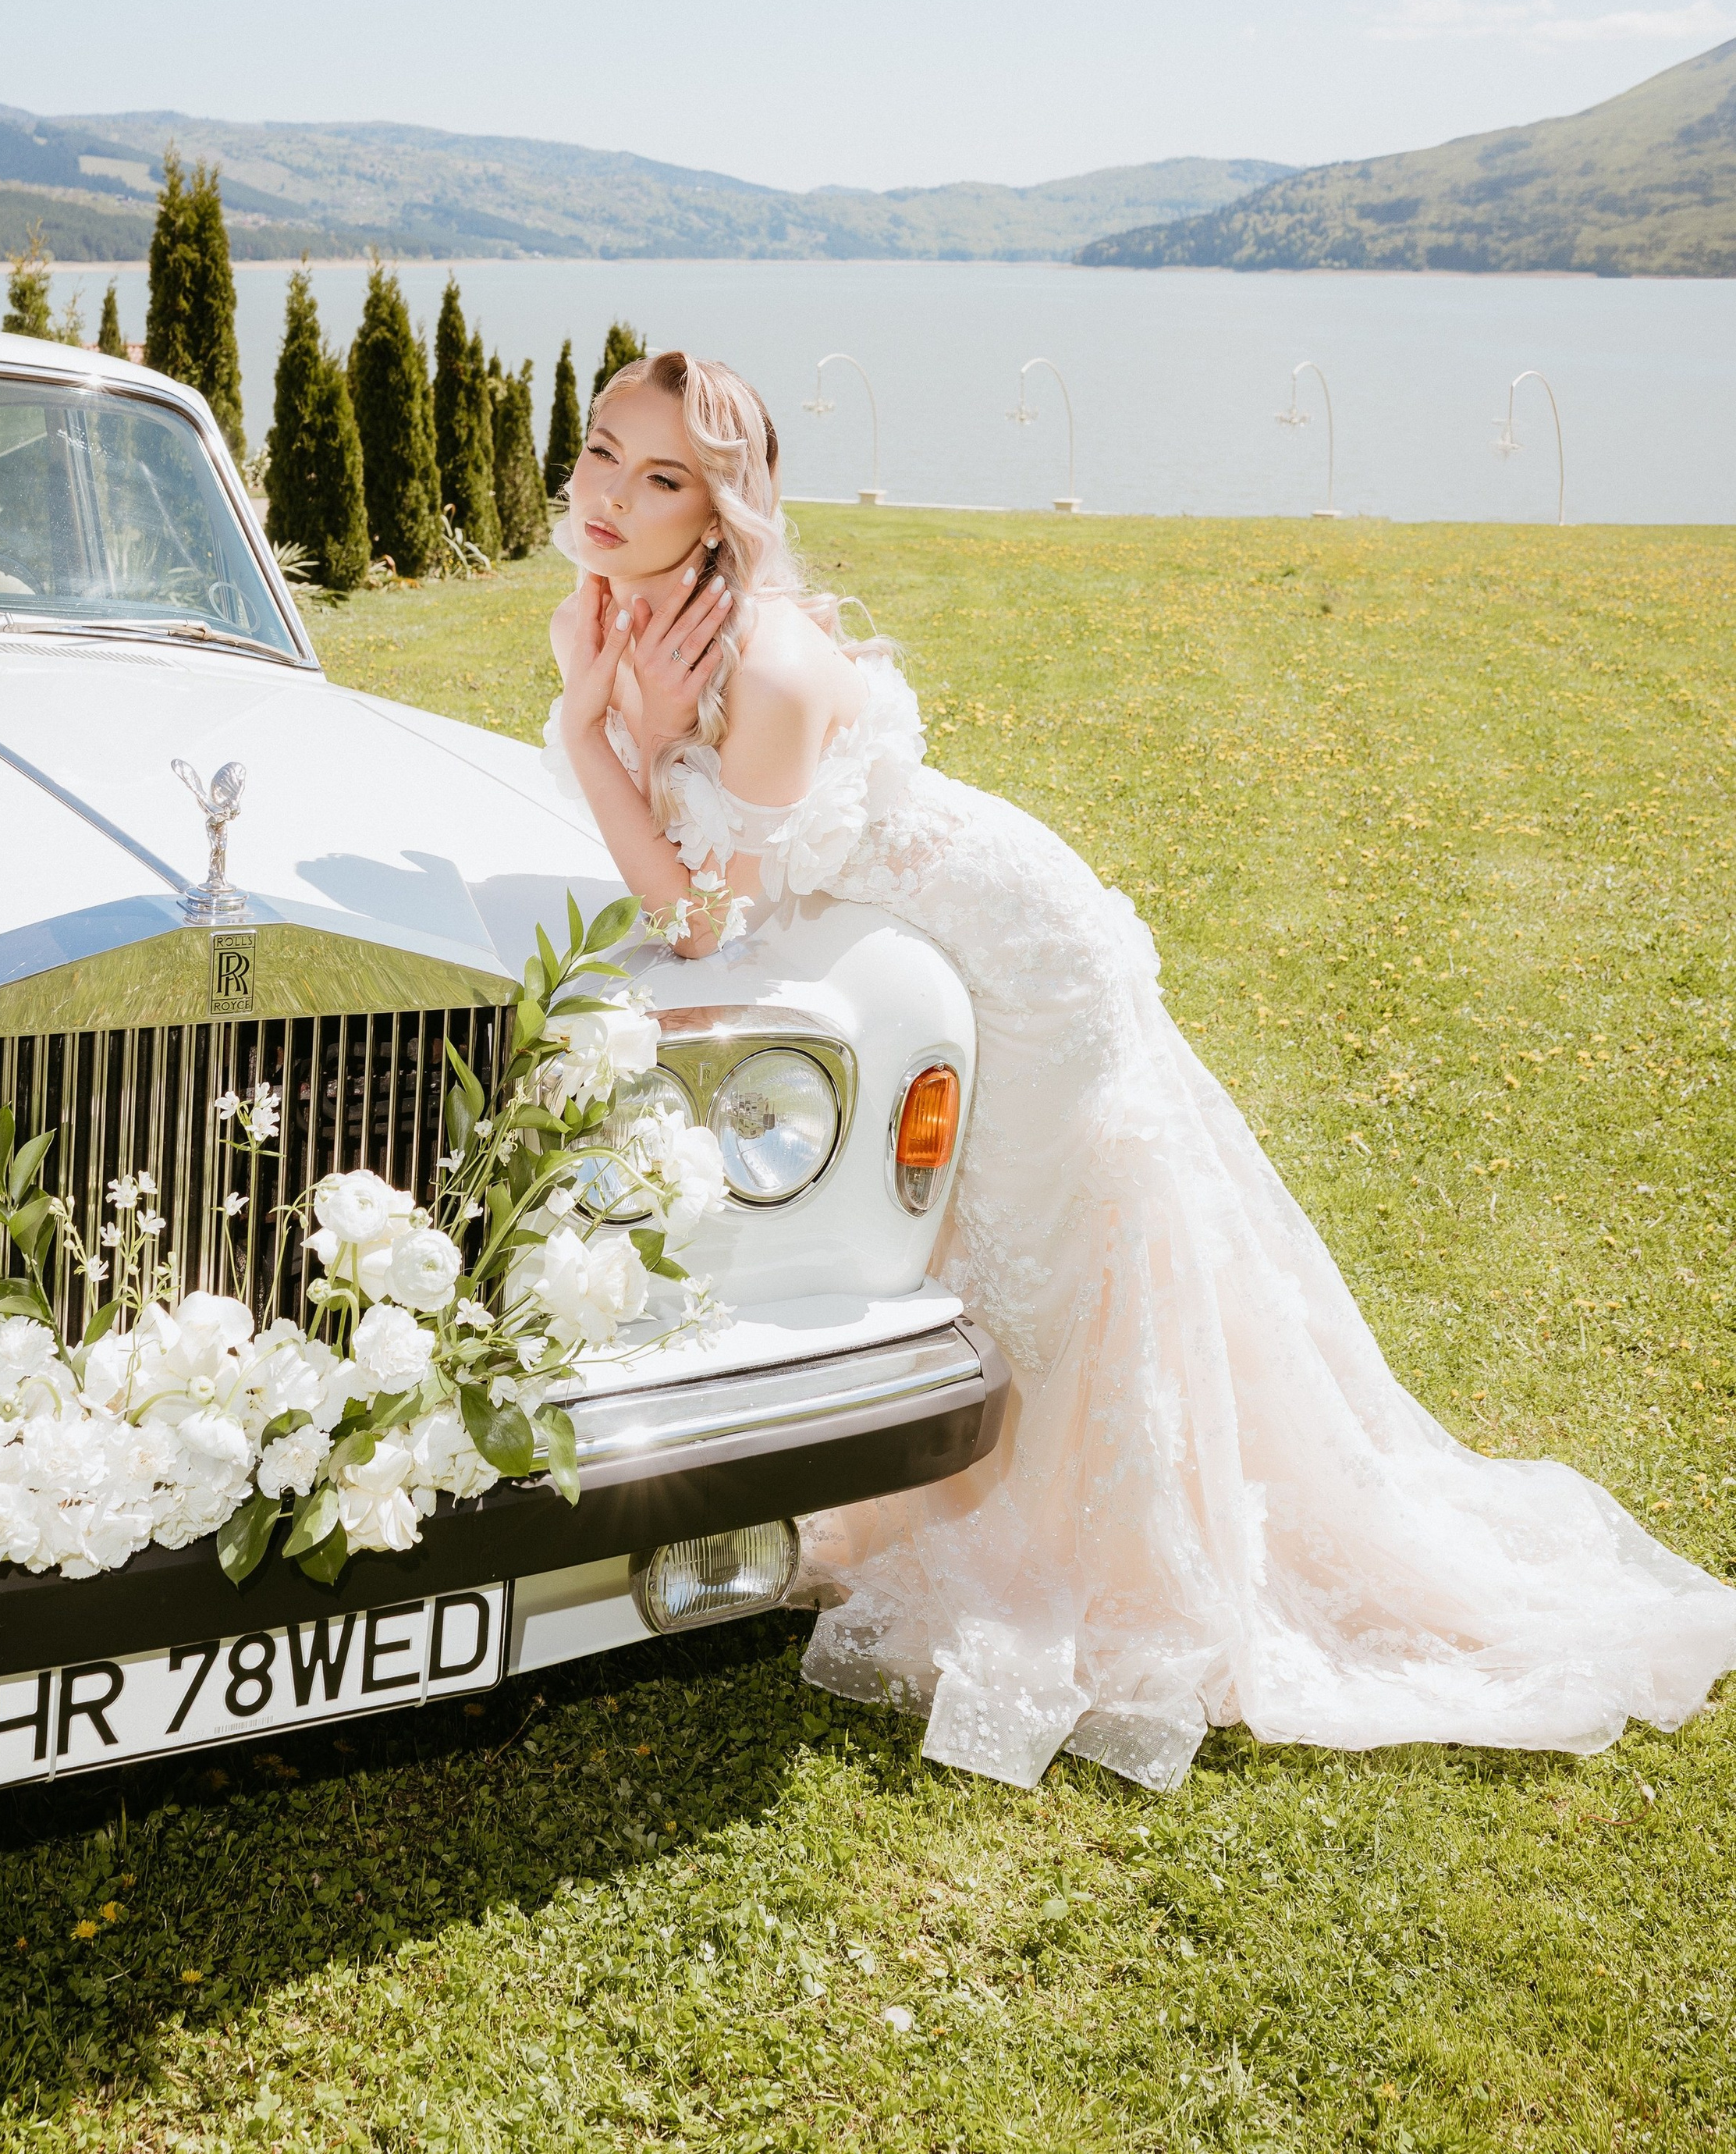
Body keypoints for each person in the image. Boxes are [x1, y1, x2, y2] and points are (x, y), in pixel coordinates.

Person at [545, 347, 1736, 1792]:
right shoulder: (615, 606)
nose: (607, 492)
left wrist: (588, 730)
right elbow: (705, 885)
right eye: (604, 449)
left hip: (1029, 962)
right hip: (918, 946)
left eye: (659, 474)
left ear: (721, 509)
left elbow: (697, 920)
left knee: (1058, 1258)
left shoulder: (774, 663)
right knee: (991, 1248)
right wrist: (648, 729)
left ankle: (1123, 1558)